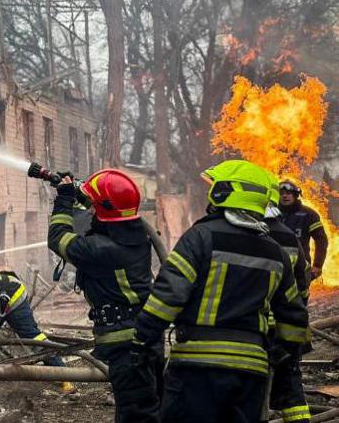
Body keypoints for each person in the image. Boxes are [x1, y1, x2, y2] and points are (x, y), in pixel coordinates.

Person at [133, 160, 310, 423]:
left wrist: (142, 338)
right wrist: (280, 354)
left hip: (197, 368)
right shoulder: (276, 252)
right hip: (251, 373)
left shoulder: (201, 237)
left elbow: (168, 295)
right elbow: (294, 317)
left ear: (225, 192)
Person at [47, 168, 161, 422]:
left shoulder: (102, 249)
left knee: (136, 415)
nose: (89, 212)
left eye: (92, 207)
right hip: (142, 338)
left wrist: (64, 199)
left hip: (126, 345)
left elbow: (57, 239)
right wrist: (81, 193)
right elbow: (100, 215)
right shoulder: (134, 236)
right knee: (151, 408)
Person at [265, 175, 312, 423]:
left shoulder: (306, 215)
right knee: (291, 383)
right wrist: (299, 311)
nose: (286, 196)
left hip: (258, 326)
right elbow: (301, 283)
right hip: (288, 322)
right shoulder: (286, 235)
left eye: (290, 192)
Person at [279, 180, 329, 282]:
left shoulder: (309, 214)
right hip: (276, 265)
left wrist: (317, 265)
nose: (285, 196)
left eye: (288, 193)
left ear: (295, 195)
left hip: (300, 267)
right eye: (281, 194)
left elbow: (321, 240)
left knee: (299, 297)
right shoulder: (271, 212)